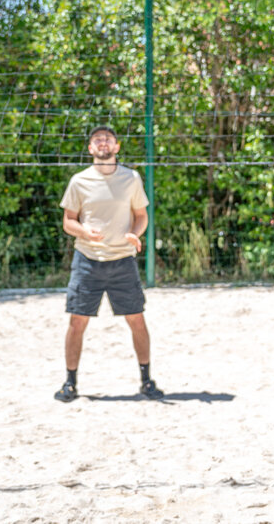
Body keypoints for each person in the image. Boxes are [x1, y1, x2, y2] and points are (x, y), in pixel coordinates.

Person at [54, 125, 164, 402]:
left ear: (117, 147)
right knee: (77, 321)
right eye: (97, 140)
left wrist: (134, 234)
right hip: (87, 260)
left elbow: (141, 215)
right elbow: (68, 221)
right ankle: (70, 384)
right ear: (90, 148)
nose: (103, 143)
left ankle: (146, 381)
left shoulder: (131, 178)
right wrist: (84, 231)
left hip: (122, 260)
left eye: (108, 139)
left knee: (136, 319)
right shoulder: (79, 180)